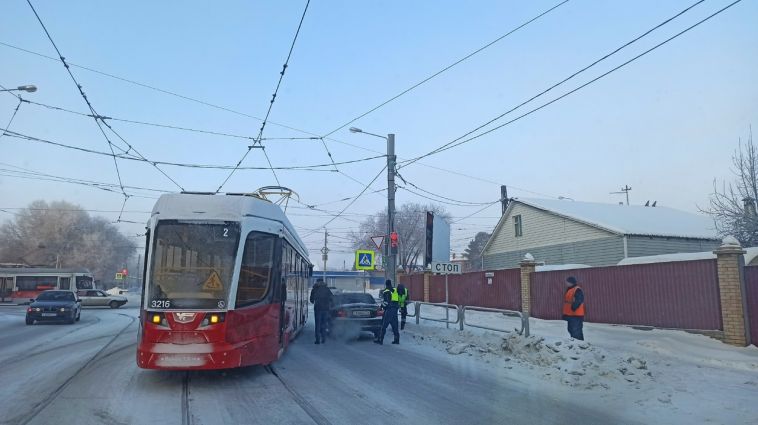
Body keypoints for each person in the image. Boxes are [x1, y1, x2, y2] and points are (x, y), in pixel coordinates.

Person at [375, 279, 400, 345]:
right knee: (395, 326)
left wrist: (381, 307)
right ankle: (396, 340)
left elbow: (386, 302)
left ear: (386, 284)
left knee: (383, 325)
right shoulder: (395, 290)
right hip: (395, 310)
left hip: (389, 310)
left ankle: (380, 339)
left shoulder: (386, 291)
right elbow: (397, 300)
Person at [309, 278, 333, 344]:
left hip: (318, 309)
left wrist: (316, 301)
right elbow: (331, 298)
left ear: (317, 282)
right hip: (325, 309)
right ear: (323, 282)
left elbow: (311, 300)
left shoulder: (315, 289)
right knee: (324, 324)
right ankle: (323, 339)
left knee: (317, 324)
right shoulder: (327, 289)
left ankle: (317, 340)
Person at [563, 276, 585, 340]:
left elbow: (579, 299)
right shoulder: (570, 289)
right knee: (571, 329)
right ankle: (575, 345)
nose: (566, 283)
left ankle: (579, 345)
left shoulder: (577, 289)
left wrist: (574, 307)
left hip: (576, 315)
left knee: (576, 331)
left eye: (567, 282)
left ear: (571, 282)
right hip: (570, 314)